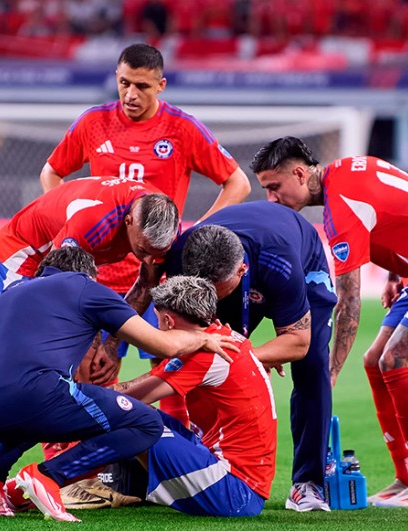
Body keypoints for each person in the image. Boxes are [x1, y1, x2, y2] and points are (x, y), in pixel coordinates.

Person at [250, 136, 408, 508]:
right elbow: (402, 209)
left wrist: (329, 373)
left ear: (300, 173)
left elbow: (348, 302)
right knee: (375, 362)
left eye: (275, 187)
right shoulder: (351, 168)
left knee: (395, 362)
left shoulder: (341, 206)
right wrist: (393, 272)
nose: (271, 198)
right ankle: (405, 479)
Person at [0, 246, 238, 522]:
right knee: (146, 423)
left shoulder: (12, 291)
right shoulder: (85, 288)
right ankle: (49, 476)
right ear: (90, 275)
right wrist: (204, 338)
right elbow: (162, 344)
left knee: (26, 409)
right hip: (31, 395)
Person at [41, 42, 250, 417]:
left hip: (158, 277)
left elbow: (238, 183)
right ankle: (96, 471)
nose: (130, 94)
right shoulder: (93, 122)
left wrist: (190, 235)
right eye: (124, 83)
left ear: (161, 85)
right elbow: (52, 171)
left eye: (142, 86)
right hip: (99, 276)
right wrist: (68, 218)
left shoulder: (182, 129)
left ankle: (179, 457)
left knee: (174, 368)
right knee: (91, 374)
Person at [153, 201, 337, 512]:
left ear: (242, 270)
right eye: (203, 290)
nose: (210, 299)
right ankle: (208, 454)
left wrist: (247, 359)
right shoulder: (181, 254)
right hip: (232, 270)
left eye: (218, 291)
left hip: (301, 265)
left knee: (312, 364)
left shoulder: (280, 263)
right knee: (202, 354)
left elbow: (297, 342)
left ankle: (308, 482)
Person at [110, 275, 277, 517]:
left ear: (168, 321)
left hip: (235, 494)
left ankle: (72, 478)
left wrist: (74, 393)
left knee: (123, 412)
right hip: (241, 485)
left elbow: (134, 397)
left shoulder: (204, 356)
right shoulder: (221, 336)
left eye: (157, 323)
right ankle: (127, 485)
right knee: (128, 412)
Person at [0, 176, 178, 293]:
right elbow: (56, 283)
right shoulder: (94, 222)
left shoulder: (166, 219)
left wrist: (110, 344)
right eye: (143, 250)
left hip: (63, 250)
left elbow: (147, 285)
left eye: (159, 253)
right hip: (22, 252)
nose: (149, 261)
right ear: (128, 221)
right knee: (27, 326)